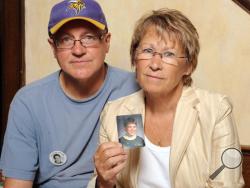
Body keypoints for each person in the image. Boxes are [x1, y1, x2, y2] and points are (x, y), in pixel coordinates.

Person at [89, 8, 245, 188]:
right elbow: (106, 183)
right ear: (134, 58)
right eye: (147, 50)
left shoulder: (216, 110)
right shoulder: (115, 112)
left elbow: (227, 184)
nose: (155, 64)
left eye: (169, 54)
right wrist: (103, 182)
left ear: (189, 66)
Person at [0, 0, 139, 187]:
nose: (78, 50)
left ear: (106, 42)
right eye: (65, 40)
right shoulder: (28, 102)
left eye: (89, 38)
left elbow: (139, 170)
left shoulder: (132, 88)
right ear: (53, 48)